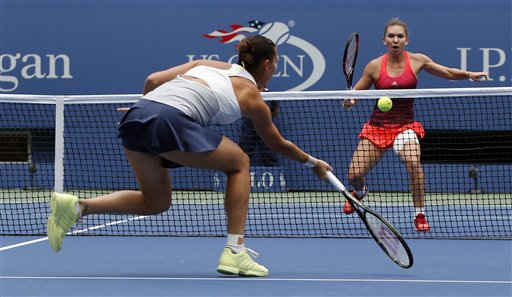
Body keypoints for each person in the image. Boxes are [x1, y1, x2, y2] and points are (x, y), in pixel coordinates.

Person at [47, 35, 332, 277]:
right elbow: (277, 143)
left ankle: (77, 207)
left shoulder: (206, 65)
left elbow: (153, 79)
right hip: (170, 118)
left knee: (155, 202)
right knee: (240, 163)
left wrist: (147, 107)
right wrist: (313, 163)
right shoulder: (253, 99)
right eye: (276, 64)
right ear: (267, 64)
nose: (274, 70)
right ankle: (235, 250)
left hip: (136, 117)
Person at [342, 18, 489, 232]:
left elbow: (447, 72)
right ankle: (360, 191)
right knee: (353, 175)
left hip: (405, 127)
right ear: (384, 40)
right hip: (377, 127)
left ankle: (419, 213)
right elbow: (356, 94)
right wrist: (350, 101)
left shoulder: (418, 61)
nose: (395, 40)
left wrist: (468, 75)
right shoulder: (374, 66)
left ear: (407, 40)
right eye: (391, 36)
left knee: (413, 163)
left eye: (400, 36)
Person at [239, 87, 279, 166]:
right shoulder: (248, 91)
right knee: (244, 152)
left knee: (269, 153)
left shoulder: (270, 94)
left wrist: (266, 118)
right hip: (249, 128)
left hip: (265, 127)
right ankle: (241, 171)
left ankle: (274, 173)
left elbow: (275, 111)